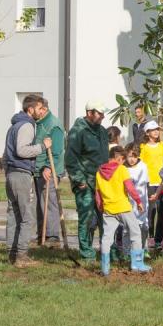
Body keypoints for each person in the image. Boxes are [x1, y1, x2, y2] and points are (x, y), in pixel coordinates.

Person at [66, 100, 111, 261]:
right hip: (85, 183)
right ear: (89, 113)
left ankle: (106, 251)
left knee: (106, 218)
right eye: (99, 113)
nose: (102, 116)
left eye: (103, 113)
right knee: (86, 218)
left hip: (102, 183)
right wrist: (79, 180)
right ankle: (87, 253)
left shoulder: (103, 131)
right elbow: (71, 159)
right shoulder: (78, 132)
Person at [4, 95, 45, 267]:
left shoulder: (14, 126)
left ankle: (11, 254)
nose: (42, 111)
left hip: (11, 174)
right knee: (27, 217)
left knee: (14, 214)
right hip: (21, 174)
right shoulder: (27, 125)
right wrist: (43, 147)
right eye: (39, 108)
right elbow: (22, 151)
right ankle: (21, 256)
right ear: (31, 109)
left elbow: (6, 155)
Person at [95, 145, 148, 275]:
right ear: (118, 158)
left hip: (108, 209)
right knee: (135, 233)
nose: (124, 161)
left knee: (107, 238)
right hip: (123, 208)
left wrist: (101, 207)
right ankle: (137, 265)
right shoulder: (122, 169)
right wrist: (139, 201)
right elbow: (130, 187)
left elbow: (98, 194)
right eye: (123, 159)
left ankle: (105, 268)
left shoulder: (99, 172)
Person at [32, 97, 66, 245]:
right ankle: (42, 234)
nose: (35, 111)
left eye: (37, 109)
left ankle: (52, 236)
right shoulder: (39, 123)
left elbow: (57, 150)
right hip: (37, 168)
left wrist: (47, 167)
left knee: (50, 202)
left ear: (44, 109)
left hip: (50, 169)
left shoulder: (54, 125)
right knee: (39, 203)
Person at [138, 121, 163, 247]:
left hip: (162, 182)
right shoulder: (143, 147)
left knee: (161, 209)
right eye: (153, 129)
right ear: (147, 132)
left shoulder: (162, 145)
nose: (156, 132)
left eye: (157, 129)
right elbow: (140, 164)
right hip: (149, 182)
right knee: (151, 210)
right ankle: (150, 235)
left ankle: (158, 238)